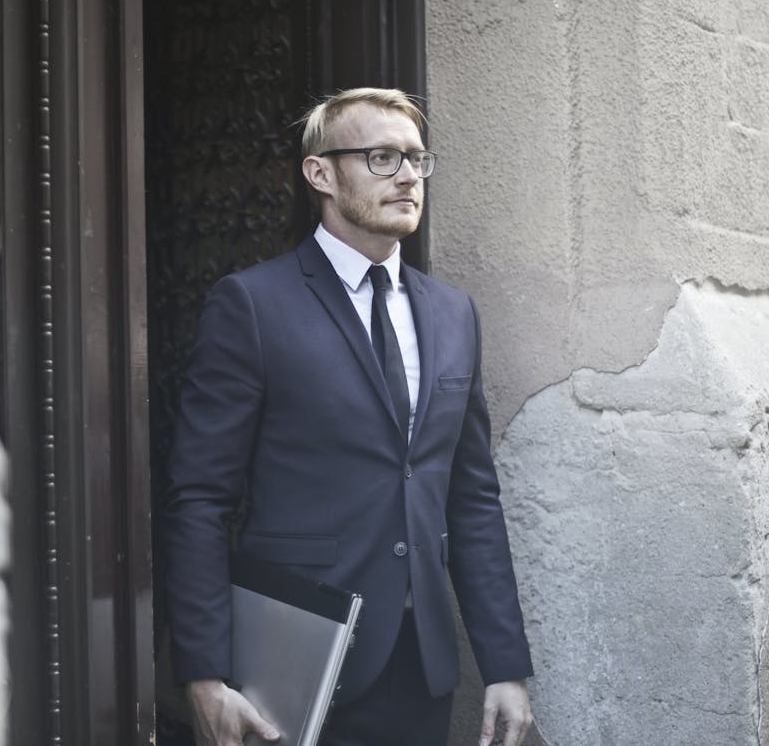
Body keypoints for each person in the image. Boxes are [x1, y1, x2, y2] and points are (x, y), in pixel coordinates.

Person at [158, 87, 534, 746]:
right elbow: (200, 499)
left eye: (417, 159)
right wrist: (205, 673)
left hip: (421, 667)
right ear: (320, 172)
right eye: (384, 157)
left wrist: (505, 664)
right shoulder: (251, 304)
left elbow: (471, 497)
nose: (410, 175)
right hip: (295, 665)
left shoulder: (453, 315)